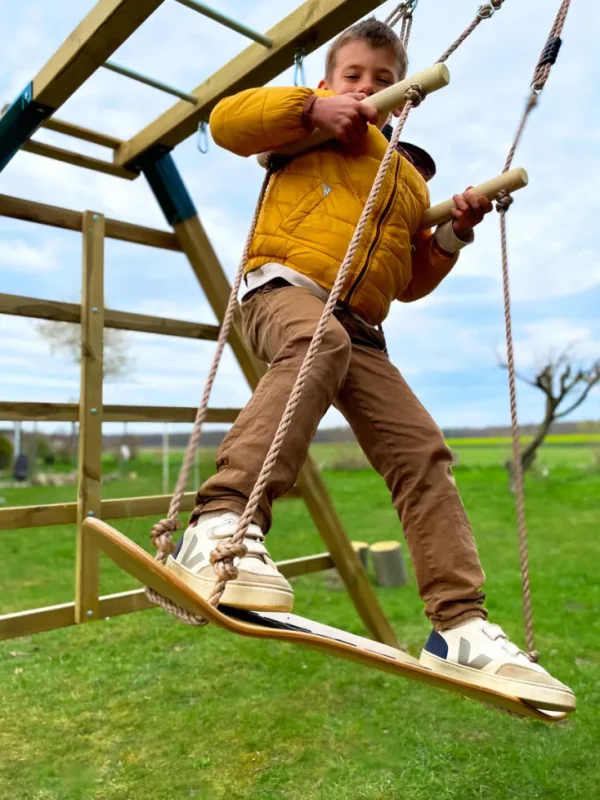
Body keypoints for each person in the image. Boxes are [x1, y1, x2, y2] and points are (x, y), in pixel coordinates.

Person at [167, 19, 573, 710]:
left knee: (422, 451)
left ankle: (460, 625)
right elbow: (229, 121)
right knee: (315, 342)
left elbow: (408, 281)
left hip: (360, 329)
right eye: (355, 75)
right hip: (284, 291)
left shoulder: (408, 182)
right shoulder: (307, 126)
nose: (370, 88)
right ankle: (219, 524)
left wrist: (451, 232)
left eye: (384, 81)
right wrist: (311, 107)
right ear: (329, 79)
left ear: (407, 95)